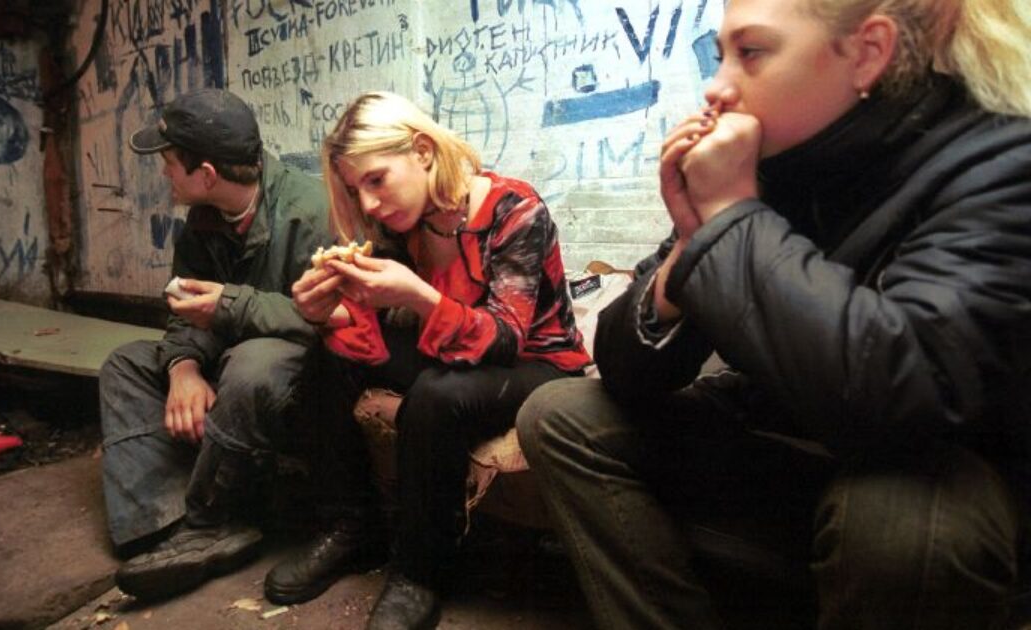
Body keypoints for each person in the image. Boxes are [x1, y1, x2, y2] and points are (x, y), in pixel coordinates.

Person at [516, 0, 1031, 627]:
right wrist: (686, 249)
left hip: (934, 471)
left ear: (869, 52)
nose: (717, 85)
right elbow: (627, 370)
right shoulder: (777, 156)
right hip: (788, 437)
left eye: (751, 53)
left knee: (901, 524)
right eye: (720, 53)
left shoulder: (1001, 160)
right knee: (563, 415)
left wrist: (731, 217)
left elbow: (901, 394)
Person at [271, 91, 591, 629]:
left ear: (422, 151)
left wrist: (416, 295)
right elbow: (382, 332)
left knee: (436, 397)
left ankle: (421, 570)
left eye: (376, 179)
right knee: (328, 355)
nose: (369, 204)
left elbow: (504, 340)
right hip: (451, 350)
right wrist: (324, 312)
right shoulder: (401, 223)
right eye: (357, 190)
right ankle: (350, 526)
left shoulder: (515, 209)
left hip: (536, 365)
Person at [98, 88, 330, 601]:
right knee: (125, 364)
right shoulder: (203, 217)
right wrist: (182, 367)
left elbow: (329, 324)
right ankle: (162, 523)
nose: (163, 174)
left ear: (205, 174)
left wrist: (230, 305)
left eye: (169, 164)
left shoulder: (311, 213)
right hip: (231, 359)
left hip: (301, 374)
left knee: (251, 364)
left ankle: (211, 522)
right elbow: (184, 309)